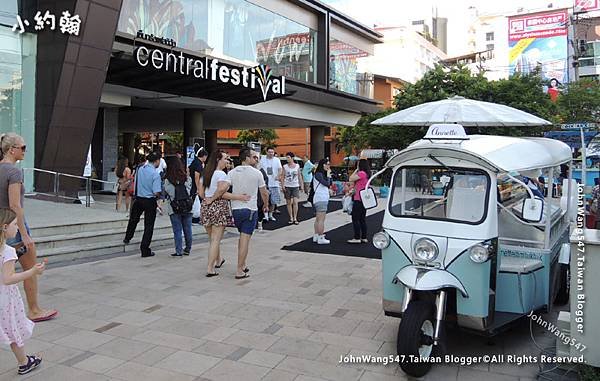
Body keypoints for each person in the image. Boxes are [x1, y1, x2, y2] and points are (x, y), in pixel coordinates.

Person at [0, 133, 57, 322]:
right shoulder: (14, 172)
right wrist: (24, 233)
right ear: (12, 149)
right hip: (13, 225)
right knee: (30, 268)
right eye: (23, 147)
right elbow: (15, 205)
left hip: (1, 225)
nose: (25, 151)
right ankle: (34, 310)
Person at [0, 208, 46, 375]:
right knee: (11, 329)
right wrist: (33, 271)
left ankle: (24, 361)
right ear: (5, 227)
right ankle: (24, 362)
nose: (18, 228)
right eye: (14, 224)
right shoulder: (8, 252)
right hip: (5, 299)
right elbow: (8, 278)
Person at [199, 150, 250, 277]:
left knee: (212, 239)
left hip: (205, 207)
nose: (227, 161)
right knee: (216, 239)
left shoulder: (205, 173)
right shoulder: (221, 174)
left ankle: (218, 260)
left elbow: (200, 193)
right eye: (225, 159)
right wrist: (239, 197)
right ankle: (210, 268)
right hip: (218, 207)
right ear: (218, 160)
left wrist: (208, 198)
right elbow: (222, 191)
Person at [227, 148, 269, 279]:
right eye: (254, 157)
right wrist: (266, 205)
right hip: (250, 209)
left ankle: (243, 264)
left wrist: (237, 197)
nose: (255, 159)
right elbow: (264, 192)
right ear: (246, 158)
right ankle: (239, 270)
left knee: (241, 238)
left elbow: (223, 190)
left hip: (236, 209)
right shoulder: (257, 173)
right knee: (245, 239)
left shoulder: (232, 173)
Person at [123, 152, 163, 257]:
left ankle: (127, 237)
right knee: (148, 226)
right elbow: (156, 192)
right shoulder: (155, 174)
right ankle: (144, 249)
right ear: (157, 161)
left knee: (133, 219)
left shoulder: (140, 169)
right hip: (150, 200)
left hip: (139, 198)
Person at [163, 157, 193, 257]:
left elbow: (170, 193)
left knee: (177, 230)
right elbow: (188, 191)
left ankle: (179, 251)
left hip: (174, 207)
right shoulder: (187, 178)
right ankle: (188, 248)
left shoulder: (168, 180)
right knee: (188, 228)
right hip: (187, 206)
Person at [348, 159, 370, 244]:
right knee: (362, 219)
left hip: (358, 199)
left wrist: (356, 170)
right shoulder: (367, 174)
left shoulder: (361, 174)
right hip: (364, 200)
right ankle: (364, 237)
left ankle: (357, 237)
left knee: (355, 218)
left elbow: (351, 178)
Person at [312, 159, 333, 245]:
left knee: (318, 219)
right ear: (323, 165)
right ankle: (320, 237)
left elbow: (330, 183)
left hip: (321, 198)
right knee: (321, 219)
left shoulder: (320, 174)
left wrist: (329, 176)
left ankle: (316, 235)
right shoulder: (318, 174)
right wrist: (328, 176)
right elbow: (327, 183)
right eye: (327, 164)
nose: (328, 166)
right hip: (321, 198)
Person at [260, 147, 283, 221]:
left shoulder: (277, 160)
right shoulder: (262, 159)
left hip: (274, 183)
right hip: (265, 183)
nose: (271, 153)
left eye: (272, 152)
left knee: (273, 201)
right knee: (265, 201)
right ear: (266, 152)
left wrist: (278, 175)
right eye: (269, 152)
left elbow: (280, 169)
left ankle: (271, 214)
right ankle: (265, 215)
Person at [283, 152, 304, 225]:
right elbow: (282, 176)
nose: (287, 159)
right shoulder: (285, 166)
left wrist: (301, 186)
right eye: (286, 157)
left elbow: (299, 176)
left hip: (295, 186)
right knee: (288, 202)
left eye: (288, 157)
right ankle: (291, 217)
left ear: (292, 158)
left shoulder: (297, 166)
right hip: (287, 185)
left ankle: (295, 217)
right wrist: (282, 185)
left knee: (295, 202)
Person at [189, 148, 208, 224]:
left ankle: (195, 218)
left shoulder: (194, 162)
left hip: (192, 185)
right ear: (203, 156)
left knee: (194, 202)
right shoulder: (198, 163)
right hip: (195, 186)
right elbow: (197, 176)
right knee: (197, 201)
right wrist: (198, 188)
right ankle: (197, 218)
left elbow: (188, 170)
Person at [254, 158, 269, 231]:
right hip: (252, 192)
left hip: (259, 192)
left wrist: (264, 186)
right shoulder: (250, 170)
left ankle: (260, 223)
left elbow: (266, 179)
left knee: (260, 207)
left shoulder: (261, 170)